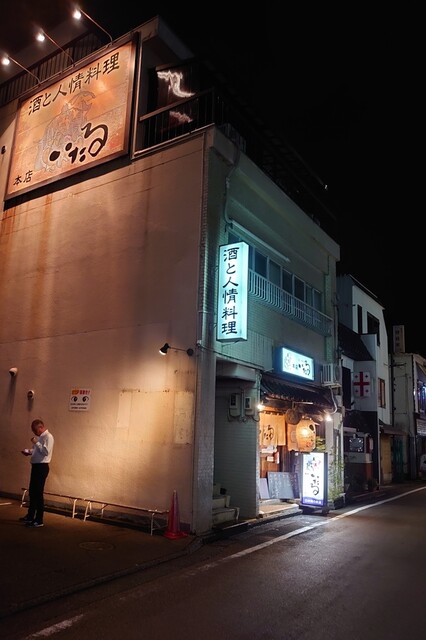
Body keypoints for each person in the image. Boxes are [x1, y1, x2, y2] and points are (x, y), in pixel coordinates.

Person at [20, 418, 54, 528]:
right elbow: (37, 451)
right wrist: (28, 451)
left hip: (42, 467)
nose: (34, 432)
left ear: (41, 427)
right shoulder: (41, 438)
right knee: (32, 492)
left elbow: (46, 452)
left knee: (38, 494)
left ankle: (39, 520)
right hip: (36, 466)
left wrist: (36, 442)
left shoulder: (48, 437)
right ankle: (30, 516)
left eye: (35, 430)